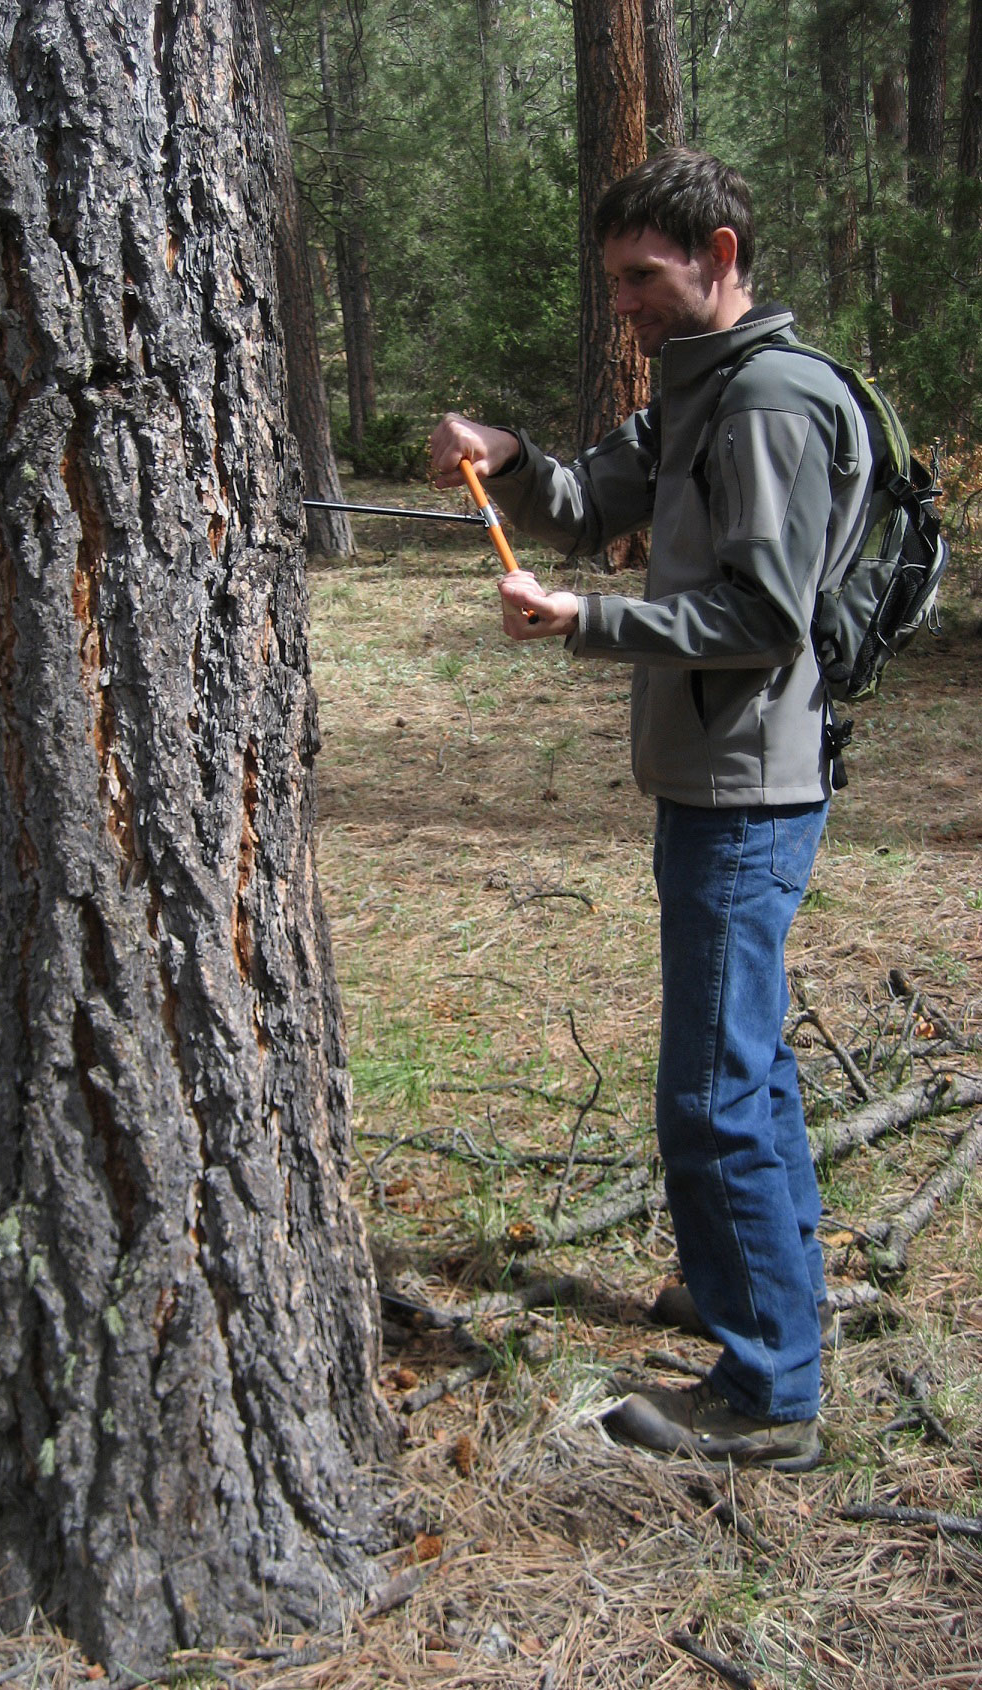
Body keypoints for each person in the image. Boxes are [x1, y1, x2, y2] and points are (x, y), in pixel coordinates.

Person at [429, 148, 877, 1473]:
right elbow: (586, 503)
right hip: (712, 777)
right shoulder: (696, 392)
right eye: (612, 278)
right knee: (745, 1068)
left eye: (644, 277)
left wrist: (586, 625)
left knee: (712, 1088)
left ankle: (768, 1389)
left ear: (721, 257)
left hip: (749, 787)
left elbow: (762, 615)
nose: (620, 301)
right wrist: (509, 459)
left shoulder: (769, 407)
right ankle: (766, 1293)